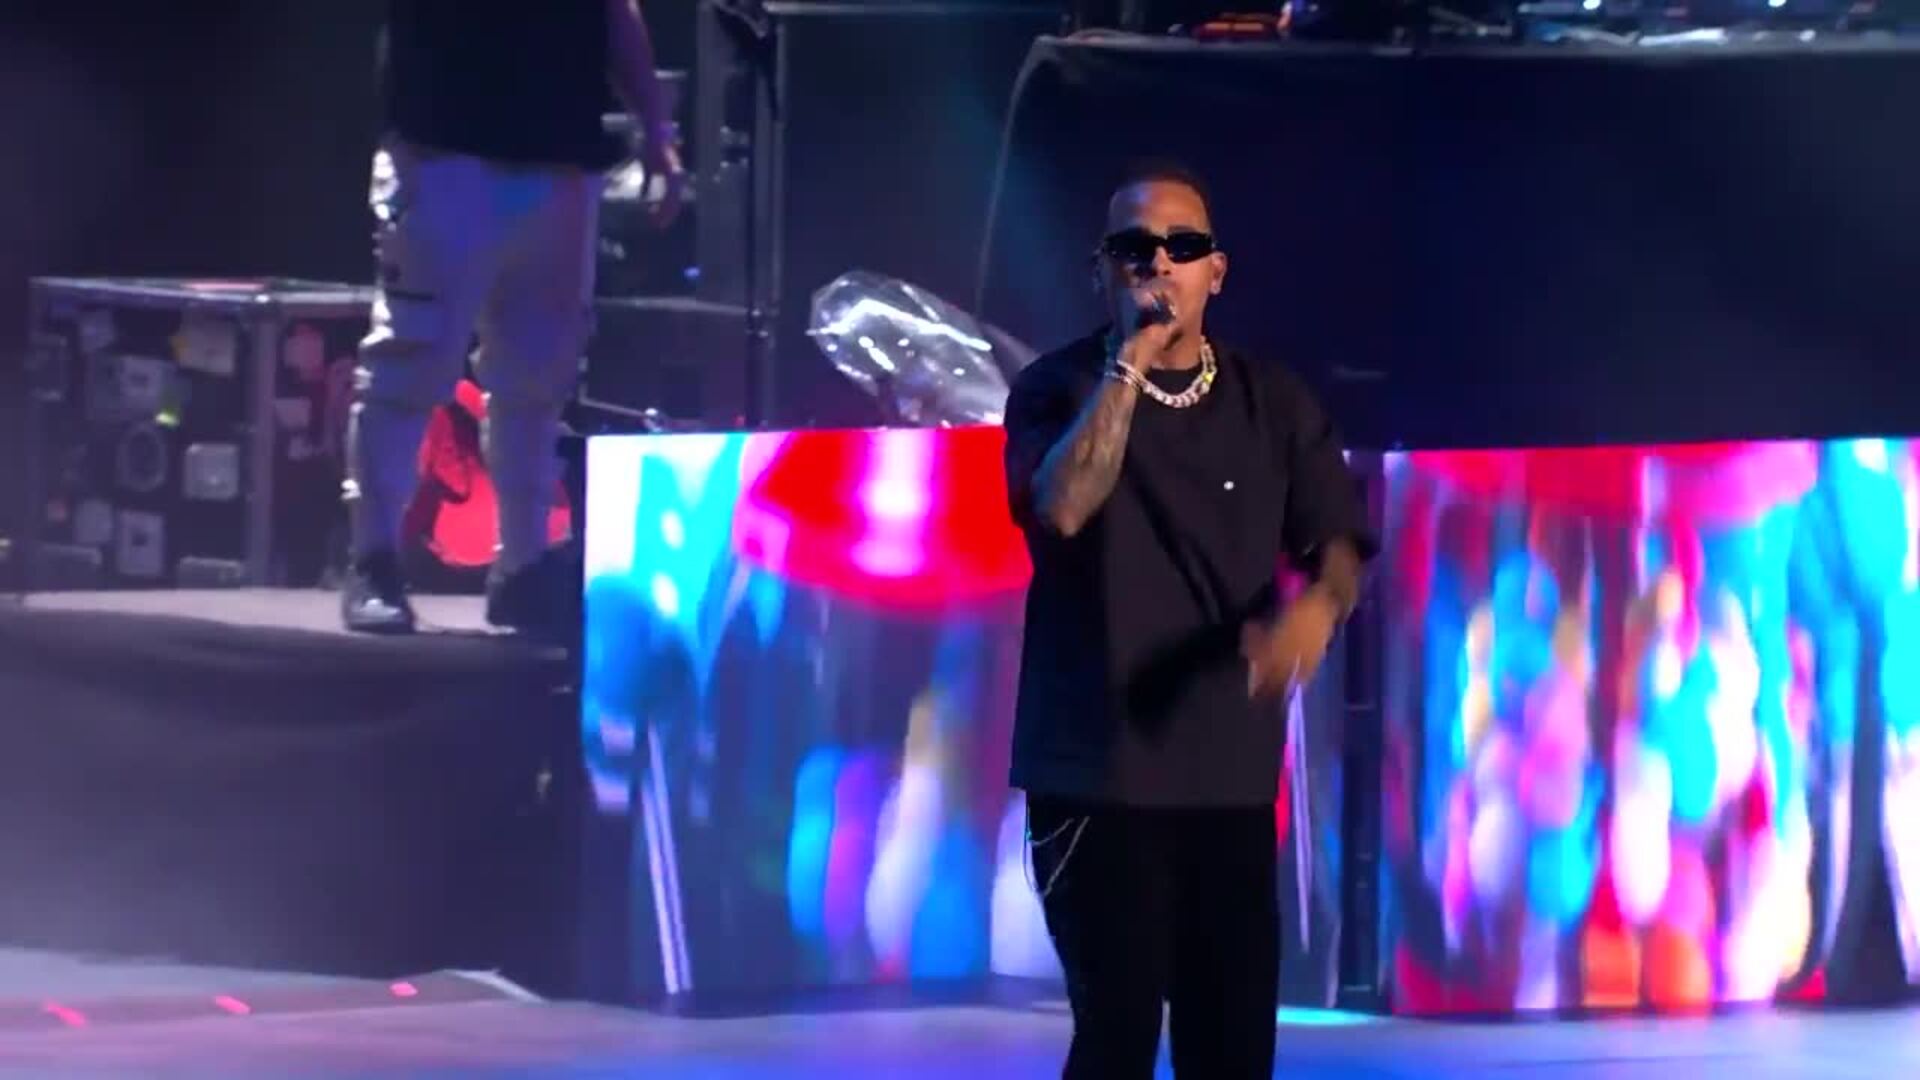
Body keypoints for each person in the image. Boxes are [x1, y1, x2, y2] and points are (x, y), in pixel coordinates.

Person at [1001, 162, 1374, 1078]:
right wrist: (1129, 363)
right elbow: (1065, 507)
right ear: (1101, 269)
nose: (1158, 263)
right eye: (1133, 247)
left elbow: (1338, 541)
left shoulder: (1272, 402)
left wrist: (1316, 612)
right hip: (1095, 778)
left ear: (1217, 270)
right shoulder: (1053, 389)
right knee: (1118, 1035)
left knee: (1232, 1049)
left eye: (1183, 245)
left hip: (1228, 782)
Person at [341, 0, 686, 636]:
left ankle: (522, 568)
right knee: (413, 358)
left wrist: (658, 134)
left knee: (538, 374)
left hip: (558, 156)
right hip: (444, 146)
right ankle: (375, 560)